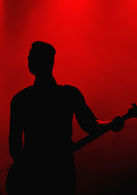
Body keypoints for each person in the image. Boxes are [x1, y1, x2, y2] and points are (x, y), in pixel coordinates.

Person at [8, 41, 124, 194]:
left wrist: (111, 124)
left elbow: (91, 125)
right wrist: (26, 168)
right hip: (47, 173)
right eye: (29, 58)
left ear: (48, 61)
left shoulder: (25, 99)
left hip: (57, 173)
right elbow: (14, 143)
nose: (29, 61)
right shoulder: (23, 99)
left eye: (32, 58)